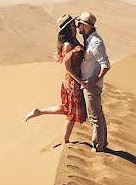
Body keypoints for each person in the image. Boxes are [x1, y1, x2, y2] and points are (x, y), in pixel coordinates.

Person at [24, 14, 88, 146]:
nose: (74, 26)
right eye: (72, 24)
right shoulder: (67, 45)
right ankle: (65, 142)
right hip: (72, 81)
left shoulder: (74, 40)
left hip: (76, 79)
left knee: (66, 109)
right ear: (67, 28)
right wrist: (80, 81)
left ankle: (39, 112)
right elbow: (68, 68)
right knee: (71, 114)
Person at [75, 10, 110, 152]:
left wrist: (93, 82)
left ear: (86, 26)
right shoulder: (89, 39)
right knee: (98, 115)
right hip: (90, 83)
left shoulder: (95, 43)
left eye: (79, 25)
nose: (78, 28)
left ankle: (98, 147)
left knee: (94, 117)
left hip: (91, 85)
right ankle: (103, 143)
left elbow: (106, 65)